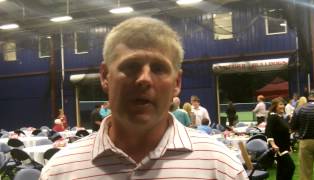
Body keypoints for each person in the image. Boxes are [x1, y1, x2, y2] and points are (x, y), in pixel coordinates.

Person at [40, 17, 247, 180]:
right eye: (130, 67)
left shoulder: (220, 167)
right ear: (105, 76)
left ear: (176, 83)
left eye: (158, 68)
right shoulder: (60, 172)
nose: (144, 79)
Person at [291, 88, 314, 180]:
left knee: (305, 173)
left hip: (305, 142)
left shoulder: (299, 109)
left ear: (309, 97)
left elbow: (293, 127)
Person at [265, 97, 295, 180]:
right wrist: (273, 145)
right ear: (275, 106)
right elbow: (268, 131)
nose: (283, 106)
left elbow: (285, 133)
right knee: (290, 167)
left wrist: (289, 147)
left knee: (281, 169)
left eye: (283, 104)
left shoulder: (280, 117)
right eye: (280, 104)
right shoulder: (272, 116)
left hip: (284, 147)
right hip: (278, 148)